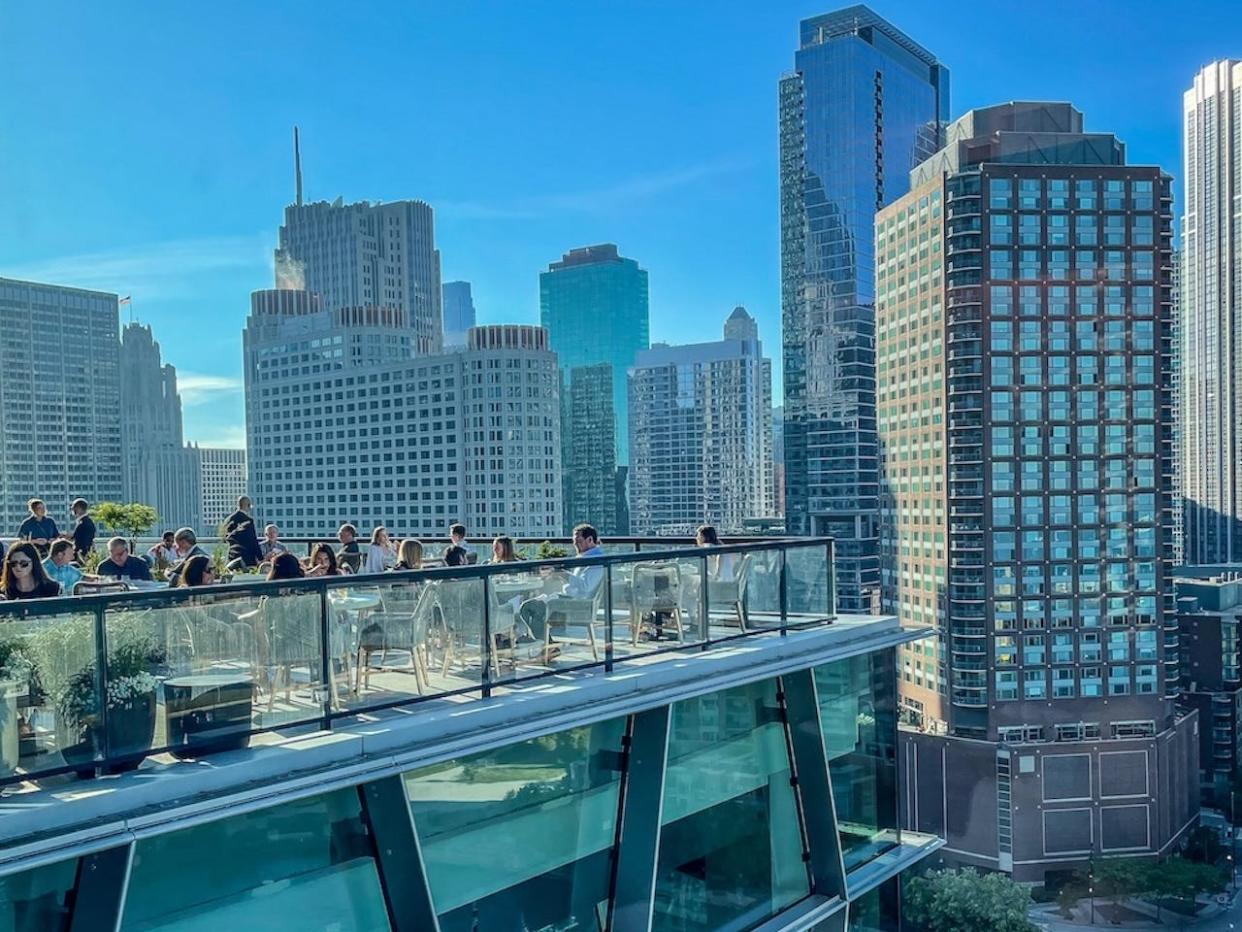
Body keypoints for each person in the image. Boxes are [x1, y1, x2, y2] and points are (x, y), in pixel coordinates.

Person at [517, 524, 605, 660]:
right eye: (575, 542)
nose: (576, 546)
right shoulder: (585, 558)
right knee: (529, 606)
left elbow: (586, 587)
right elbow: (578, 585)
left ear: (590, 540)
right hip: (570, 599)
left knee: (529, 608)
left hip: (579, 605)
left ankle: (548, 646)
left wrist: (565, 576)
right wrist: (560, 576)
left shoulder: (596, 561)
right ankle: (548, 645)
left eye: (579, 542)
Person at [223, 496, 263, 568]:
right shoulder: (248, 520)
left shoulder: (229, 519)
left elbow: (225, 537)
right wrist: (260, 557)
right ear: (248, 505)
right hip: (247, 556)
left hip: (233, 555)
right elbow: (252, 540)